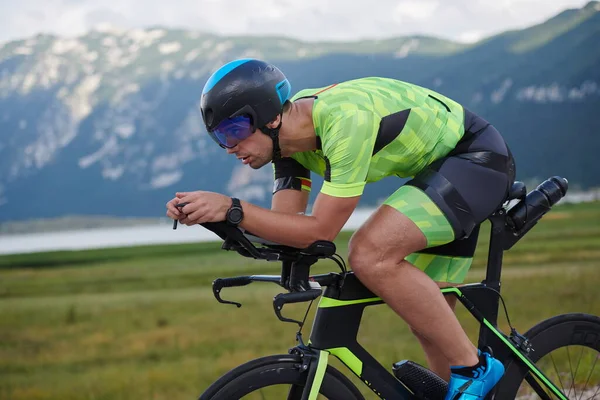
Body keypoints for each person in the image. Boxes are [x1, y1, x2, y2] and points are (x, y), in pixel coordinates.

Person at [166, 58, 515, 399]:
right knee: (428, 320)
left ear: (270, 118)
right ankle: (465, 380)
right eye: (219, 137)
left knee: (369, 253)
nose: (229, 148)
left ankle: (476, 369)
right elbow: (286, 230)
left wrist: (231, 207)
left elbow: (319, 233)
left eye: (234, 131)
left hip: (474, 159)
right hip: (437, 171)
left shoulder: (344, 123)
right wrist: (217, 218)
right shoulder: (287, 144)